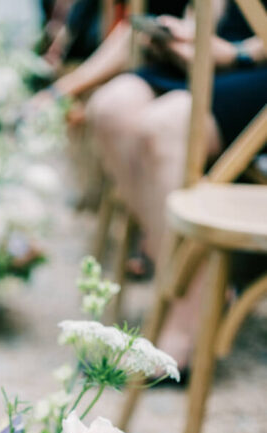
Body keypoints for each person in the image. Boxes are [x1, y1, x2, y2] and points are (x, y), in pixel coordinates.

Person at [34, 3, 267, 369]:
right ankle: (202, 290)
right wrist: (60, 90)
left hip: (255, 67)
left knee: (168, 123)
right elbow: (135, 27)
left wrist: (237, 52)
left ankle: (183, 331)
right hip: (190, 62)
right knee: (111, 107)